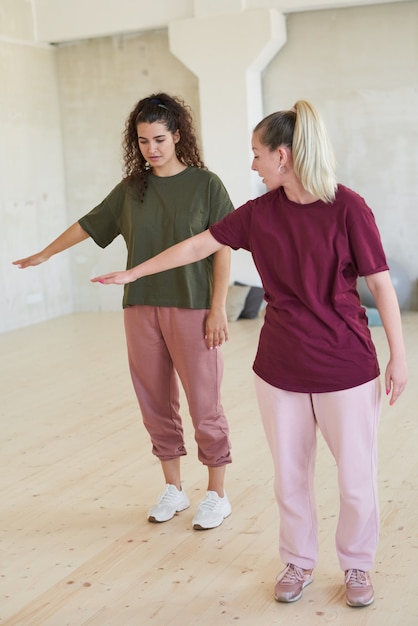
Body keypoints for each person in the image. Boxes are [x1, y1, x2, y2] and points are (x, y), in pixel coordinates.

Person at [90, 100, 408, 608]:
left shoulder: (348, 207)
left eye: (257, 154)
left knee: (355, 480)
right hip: (279, 370)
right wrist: (135, 272)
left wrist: (399, 354)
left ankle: (356, 566)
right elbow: (198, 246)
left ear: (283, 156)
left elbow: (380, 284)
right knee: (290, 478)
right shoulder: (260, 213)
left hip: (346, 368)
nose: (252, 164)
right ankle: (299, 562)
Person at [13, 92, 235, 531]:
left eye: (159, 138)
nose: (151, 148)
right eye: (142, 141)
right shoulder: (133, 189)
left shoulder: (206, 185)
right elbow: (89, 222)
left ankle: (217, 493)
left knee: (204, 404)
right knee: (154, 401)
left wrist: (218, 308)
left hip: (193, 307)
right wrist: (45, 253)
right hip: (140, 309)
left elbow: (223, 248)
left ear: (177, 136)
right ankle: (173, 488)